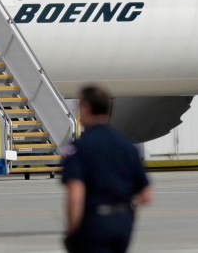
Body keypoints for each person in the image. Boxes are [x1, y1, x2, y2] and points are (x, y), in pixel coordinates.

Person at [62, 86, 153, 253]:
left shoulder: (78, 148)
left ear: (86, 108)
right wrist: (123, 206)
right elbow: (146, 195)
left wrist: (72, 230)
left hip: (94, 223)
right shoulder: (128, 147)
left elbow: (75, 194)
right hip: (123, 223)